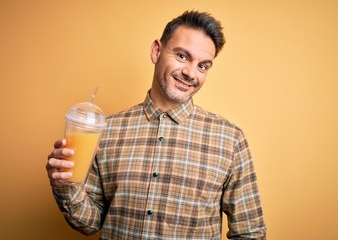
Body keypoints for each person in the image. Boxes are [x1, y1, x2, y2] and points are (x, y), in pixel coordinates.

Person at [47, 10, 266, 239]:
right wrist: (65, 184)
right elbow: (89, 223)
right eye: (182, 56)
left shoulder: (230, 139)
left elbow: (249, 232)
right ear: (156, 51)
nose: (191, 73)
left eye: (203, 66)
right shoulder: (107, 130)